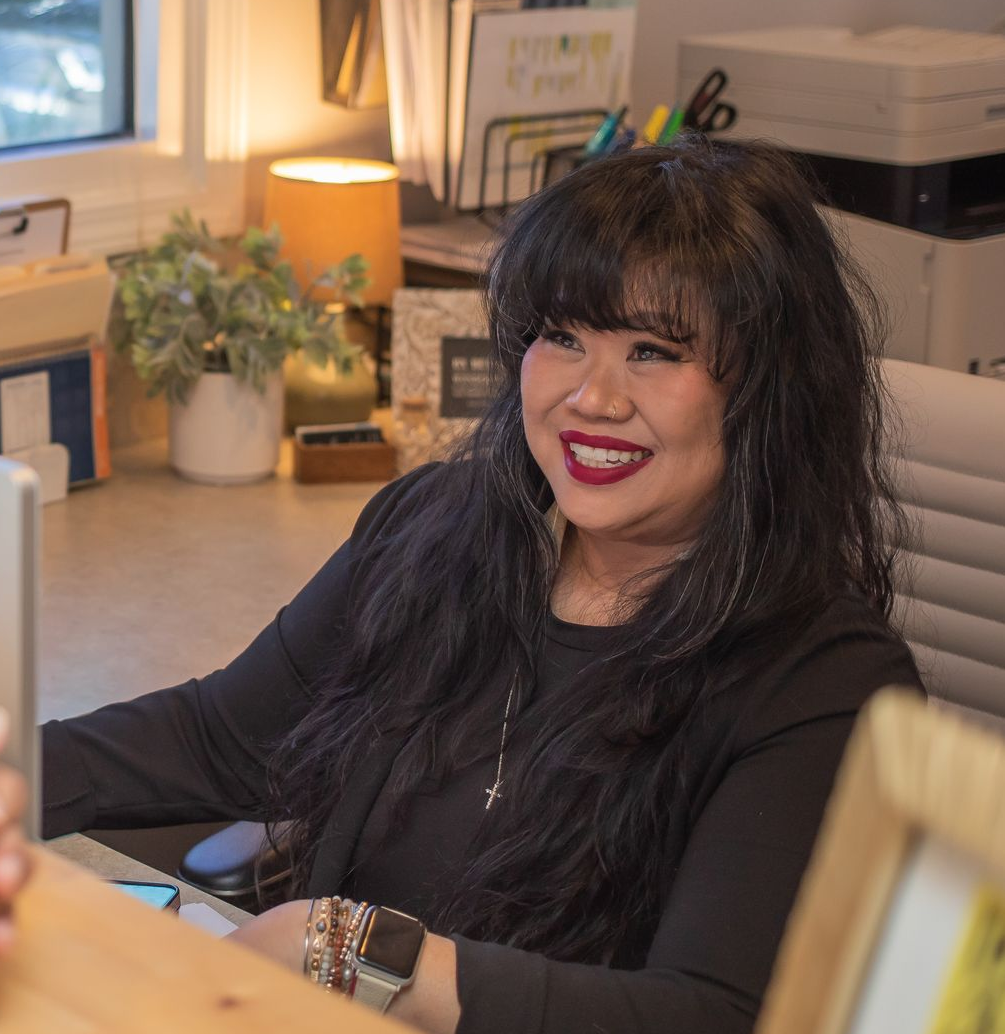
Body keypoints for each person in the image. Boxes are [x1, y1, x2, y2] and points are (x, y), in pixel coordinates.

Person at [39, 136, 922, 1033]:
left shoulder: (824, 684)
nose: (591, 397)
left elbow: (707, 1014)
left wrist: (348, 950)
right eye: (562, 336)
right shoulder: (440, 528)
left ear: (767, 391)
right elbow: (218, 738)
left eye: (653, 351)